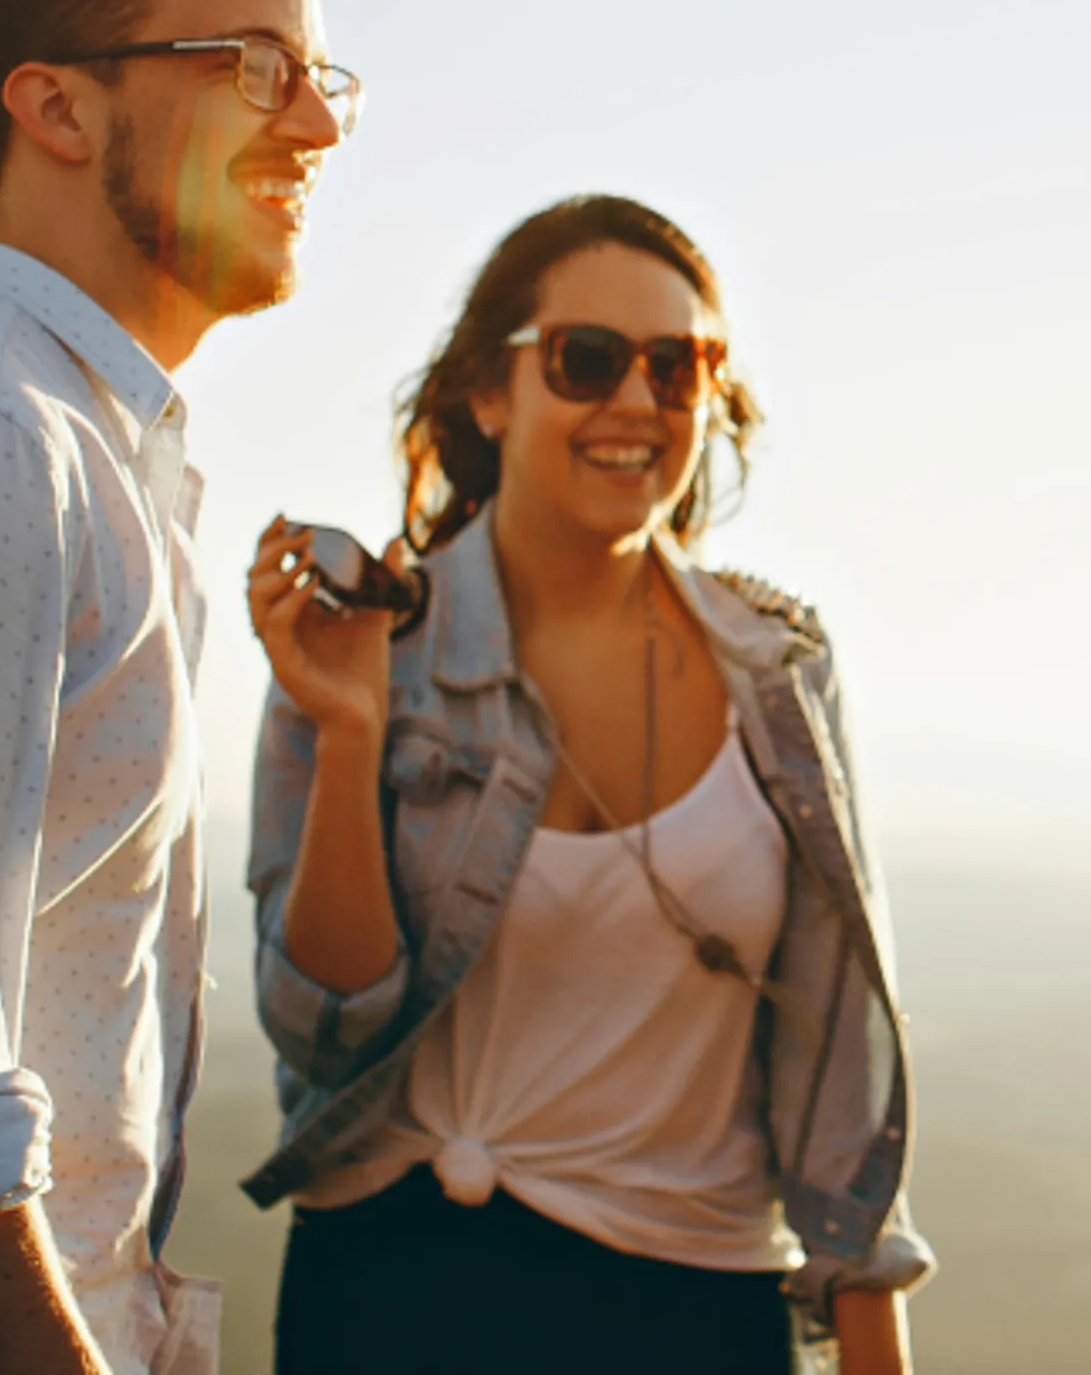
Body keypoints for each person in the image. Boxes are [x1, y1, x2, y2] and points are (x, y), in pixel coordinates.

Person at [238, 194, 932, 1375]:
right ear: (488, 391)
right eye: (588, 359)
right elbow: (324, 1031)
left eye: (679, 366)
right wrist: (350, 733)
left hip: (695, 1314)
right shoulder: (369, 646)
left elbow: (840, 1083)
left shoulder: (779, 674)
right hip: (392, 1300)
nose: (638, 402)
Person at [0, 0, 358, 1375]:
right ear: (58, 107)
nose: (316, 123)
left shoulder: (98, 455)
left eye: (321, 75)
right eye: (256, 66)